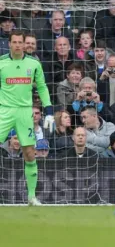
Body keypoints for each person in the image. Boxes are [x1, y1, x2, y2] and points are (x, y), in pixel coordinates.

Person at [0, 30, 54, 205]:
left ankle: (31, 196)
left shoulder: (34, 64)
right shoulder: (1, 63)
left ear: (24, 44)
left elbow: (42, 87)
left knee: (30, 153)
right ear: (9, 44)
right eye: (13, 42)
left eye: (19, 42)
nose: (17, 45)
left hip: (24, 112)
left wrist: (50, 111)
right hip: (4, 110)